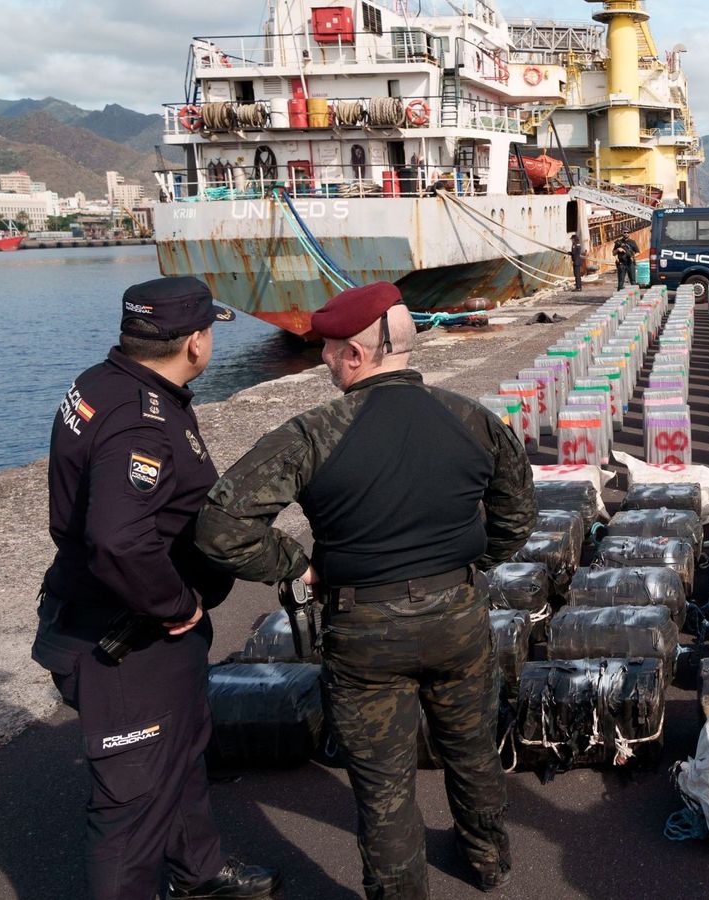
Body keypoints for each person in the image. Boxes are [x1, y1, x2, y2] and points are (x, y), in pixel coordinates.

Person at [195, 282, 533, 900]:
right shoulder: (473, 420)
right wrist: (465, 563)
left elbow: (221, 527)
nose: (324, 358)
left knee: (383, 785)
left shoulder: (314, 433)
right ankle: (489, 860)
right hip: (457, 617)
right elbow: (516, 518)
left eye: (328, 349)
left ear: (355, 354)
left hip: (364, 629)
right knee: (472, 748)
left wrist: (299, 566)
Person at [32, 276, 280, 900]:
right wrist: (176, 604)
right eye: (210, 331)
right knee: (131, 808)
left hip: (136, 632)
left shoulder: (104, 382)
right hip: (129, 639)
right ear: (195, 342)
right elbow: (118, 539)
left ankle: (198, 871)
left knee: (180, 751)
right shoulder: (138, 422)